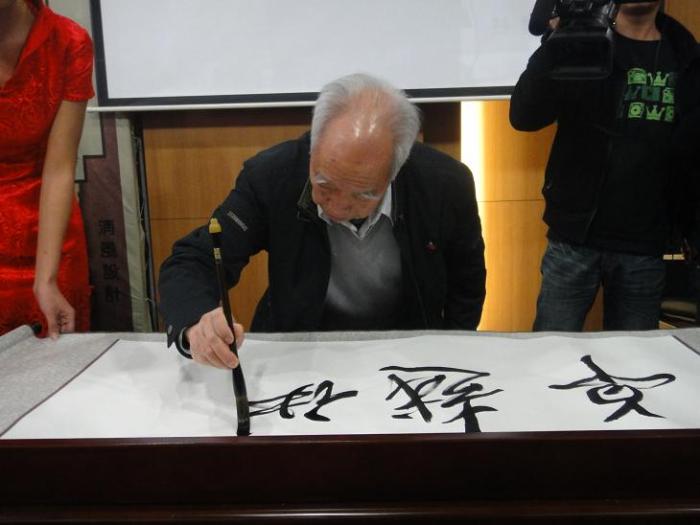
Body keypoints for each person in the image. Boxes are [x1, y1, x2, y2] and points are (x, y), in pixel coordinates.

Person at [159, 73, 486, 369]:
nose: (339, 207)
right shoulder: (272, 177)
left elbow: (467, 284)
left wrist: (447, 356)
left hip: (406, 355)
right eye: (325, 185)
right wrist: (195, 322)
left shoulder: (444, 185)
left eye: (364, 194)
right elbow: (195, 258)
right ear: (312, 149)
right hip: (299, 355)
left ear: (396, 169)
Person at [510, 1, 700, 331]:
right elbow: (525, 116)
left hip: (646, 243)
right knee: (551, 351)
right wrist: (556, 43)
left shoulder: (686, 57)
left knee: (635, 358)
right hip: (574, 239)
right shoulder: (582, 42)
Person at [0, 0, 94, 338]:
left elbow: (59, 168)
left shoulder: (68, 42)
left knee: (56, 357)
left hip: (48, 236)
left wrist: (47, 278)